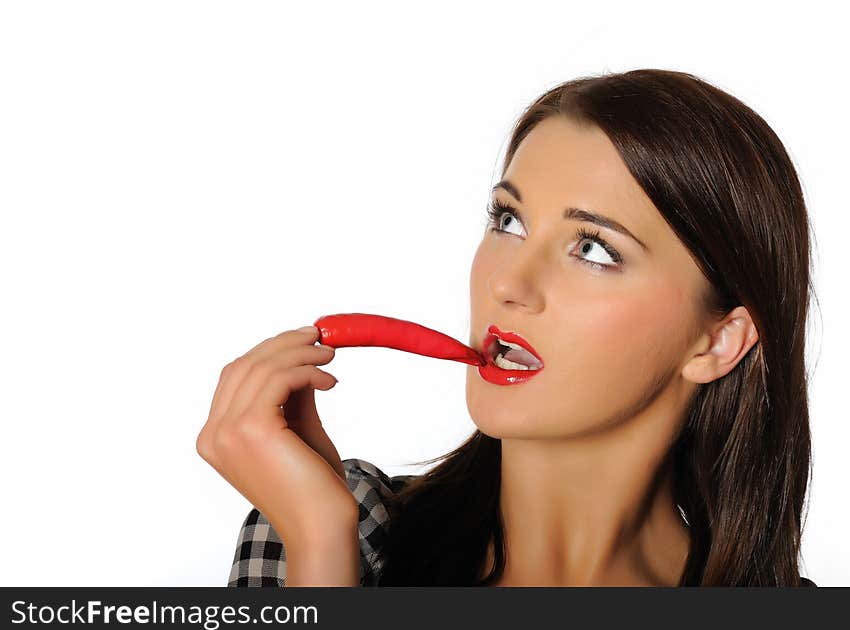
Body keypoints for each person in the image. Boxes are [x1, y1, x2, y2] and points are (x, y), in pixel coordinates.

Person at [200, 68, 818, 587]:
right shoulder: (331, 523)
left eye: (595, 249)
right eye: (508, 220)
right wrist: (319, 549)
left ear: (717, 341)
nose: (507, 284)